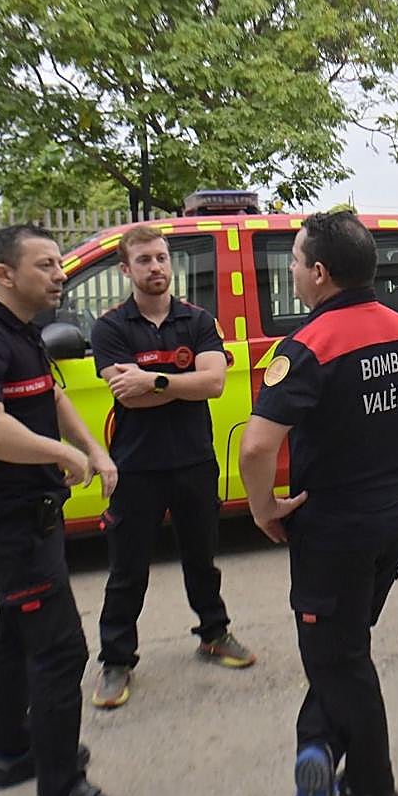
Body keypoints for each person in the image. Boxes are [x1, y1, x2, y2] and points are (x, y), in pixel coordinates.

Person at [239, 211, 398, 796]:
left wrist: (263, 508)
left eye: (296, 263)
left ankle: (374, 788)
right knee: (345, 643)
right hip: (397, 516)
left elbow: (255, 444)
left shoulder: (307, 346)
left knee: (340, 660)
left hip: (337, 531)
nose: (293, 273)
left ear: (320, 273)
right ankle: (318, 744)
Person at [0, 225, 132, 796]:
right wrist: (63, 454)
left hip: (33, 514)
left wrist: (93, 449)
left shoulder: (21, 331)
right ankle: (62, 788)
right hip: (11, 520)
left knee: (15, 635)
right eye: (45, 265)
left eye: (58, 264)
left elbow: (50, 395)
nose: (59, 274)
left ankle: (14, 750)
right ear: (4, 274)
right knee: (60, 649)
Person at [88, 225, 255, 710]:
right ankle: (116, 660)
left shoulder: (198, 320)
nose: (156, 267)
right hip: (135, 468)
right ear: (126, 269)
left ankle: (214, 634)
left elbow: (215, 385)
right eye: (144, 260)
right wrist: (181, 382)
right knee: (127, 570)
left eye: (161, 257)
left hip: (194, 462)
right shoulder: (112, 327)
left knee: (202, 558)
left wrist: (154, 380)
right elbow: (129, 401)